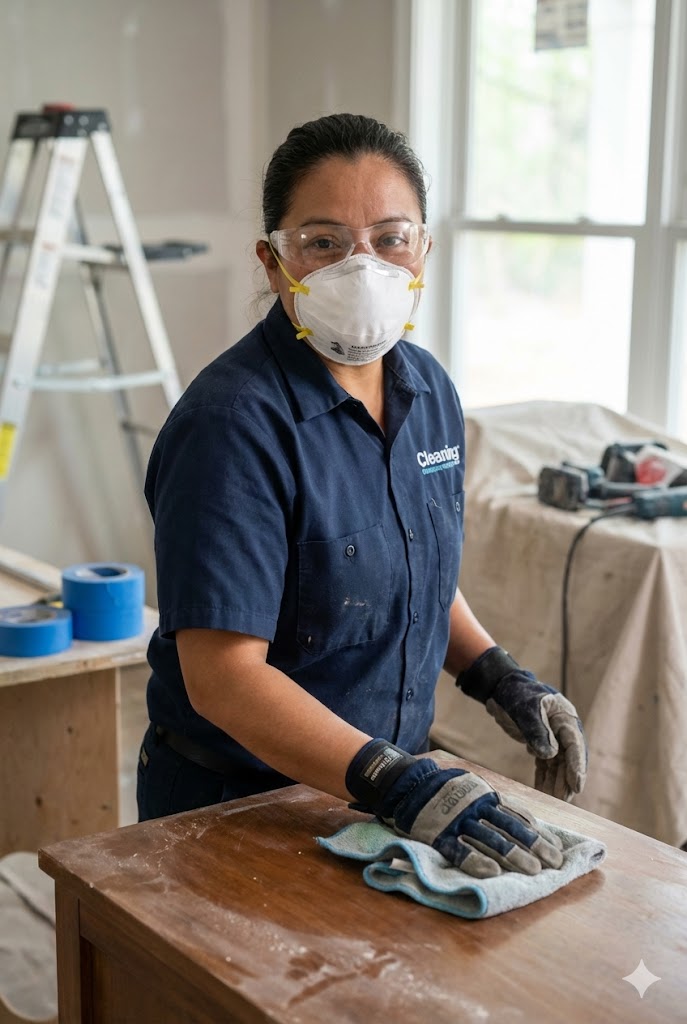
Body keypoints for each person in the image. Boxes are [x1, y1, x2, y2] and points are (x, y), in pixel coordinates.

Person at [137, 113, 587, 878]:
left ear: (422, 250)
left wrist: (497, 676)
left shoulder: (428, 390)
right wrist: (400, 782)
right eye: (322, 242)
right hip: (239, 805)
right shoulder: (232, 425)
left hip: (378, 795)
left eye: (389, 237)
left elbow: (412, 572)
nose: (362, 266)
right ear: (274, 262)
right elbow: (222, 678)